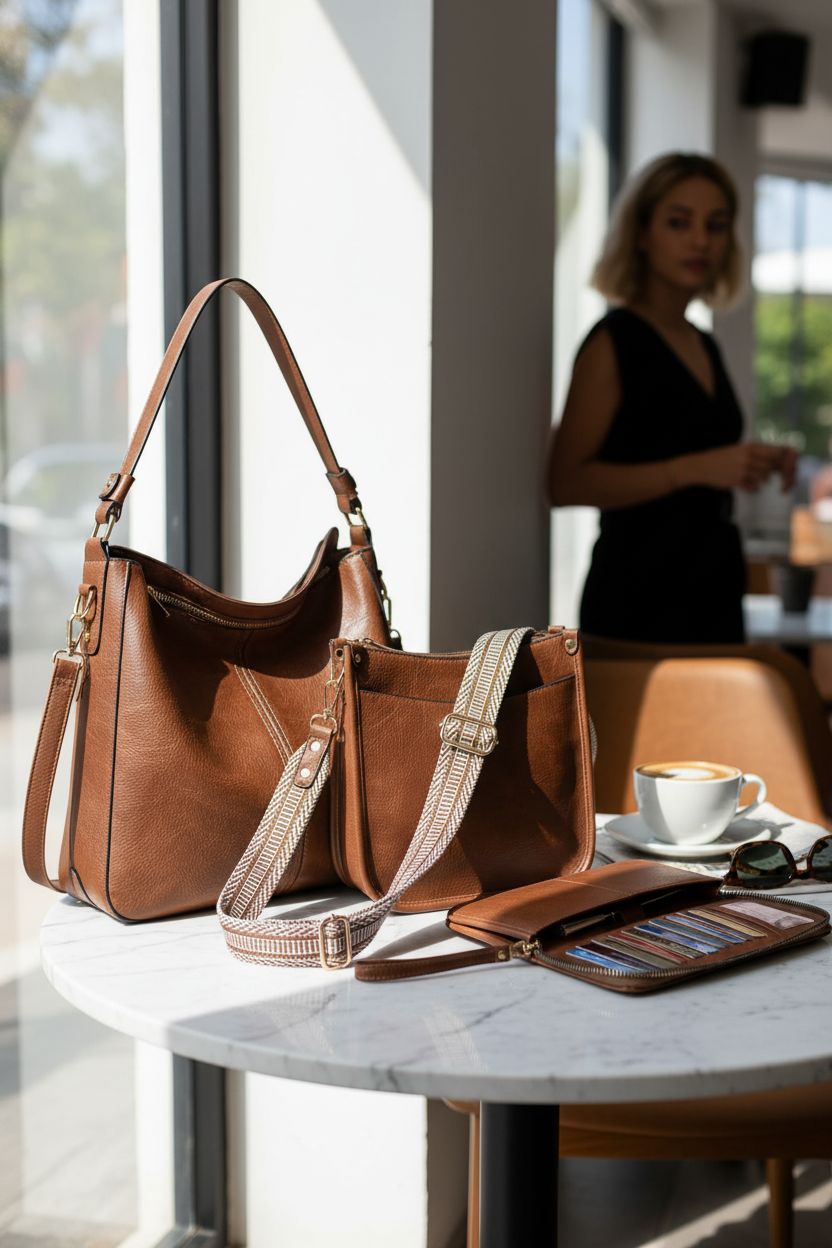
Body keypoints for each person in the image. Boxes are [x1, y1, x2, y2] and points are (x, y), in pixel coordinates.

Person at [548, 151, 796, 644]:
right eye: (679, 223)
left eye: (716, 224)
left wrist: (754, 462)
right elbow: (565, 483)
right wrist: (697, 468)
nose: (701, 240)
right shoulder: (612, 341)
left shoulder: (702, 342)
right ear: (641, 234)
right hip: (640, 591)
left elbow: (702, 453)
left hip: (715, 585)